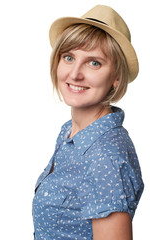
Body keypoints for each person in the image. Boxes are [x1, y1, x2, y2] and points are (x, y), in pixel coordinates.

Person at [32, 5, 144, 240]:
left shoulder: (106, 156)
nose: (74, 74)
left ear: (116, 77)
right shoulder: (72, 133)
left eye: (94, 63)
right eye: (69, 57)